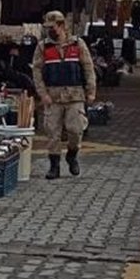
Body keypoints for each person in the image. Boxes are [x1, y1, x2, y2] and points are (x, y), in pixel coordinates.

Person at [32, 11, 96, 179]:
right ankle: (54, 166)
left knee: (75, 130)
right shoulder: (42, 47)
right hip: (53, 96)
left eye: (52, 27)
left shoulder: (77, 44)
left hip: (75, 95)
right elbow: (37, 72)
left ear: (61, 25)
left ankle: (72, 155)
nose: (49, 31)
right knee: (52, 132)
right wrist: (42, 93)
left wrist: (91, 91)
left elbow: (88, 68)